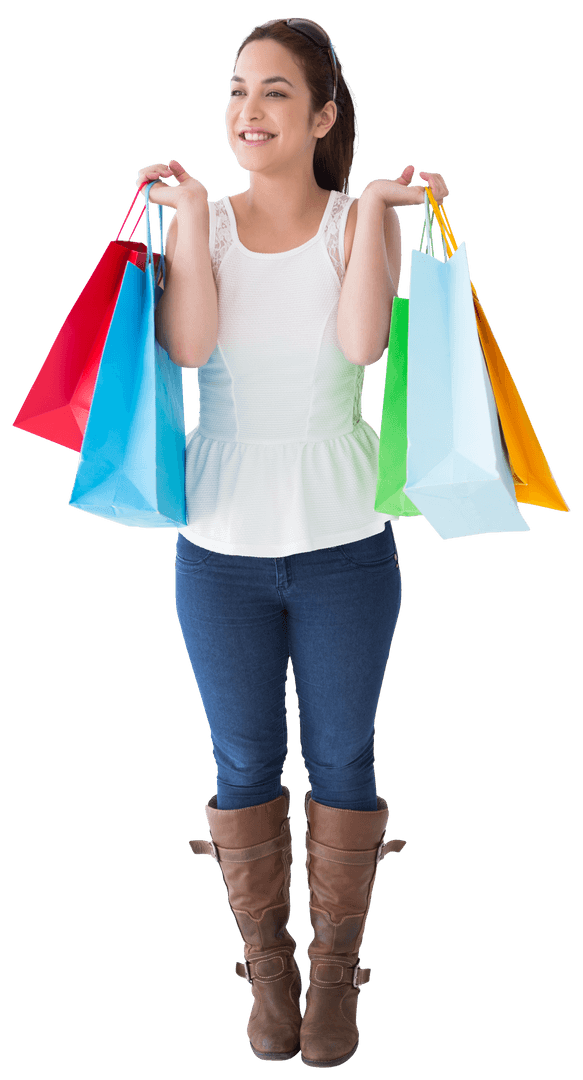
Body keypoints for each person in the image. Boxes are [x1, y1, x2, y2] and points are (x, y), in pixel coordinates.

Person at [136, 18, 448, 1070]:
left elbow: (363, 348)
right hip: (217, 545)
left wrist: (374, 229)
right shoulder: (204, 222)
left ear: (321, 116)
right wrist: (182, 220)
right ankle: (268, 976)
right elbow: (189, 348)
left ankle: (335, 986)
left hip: (345, 541)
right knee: (240, 759)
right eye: (236, 90)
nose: (247, 111)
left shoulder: (360, 221)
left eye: (274, 93)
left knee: (344, 756)